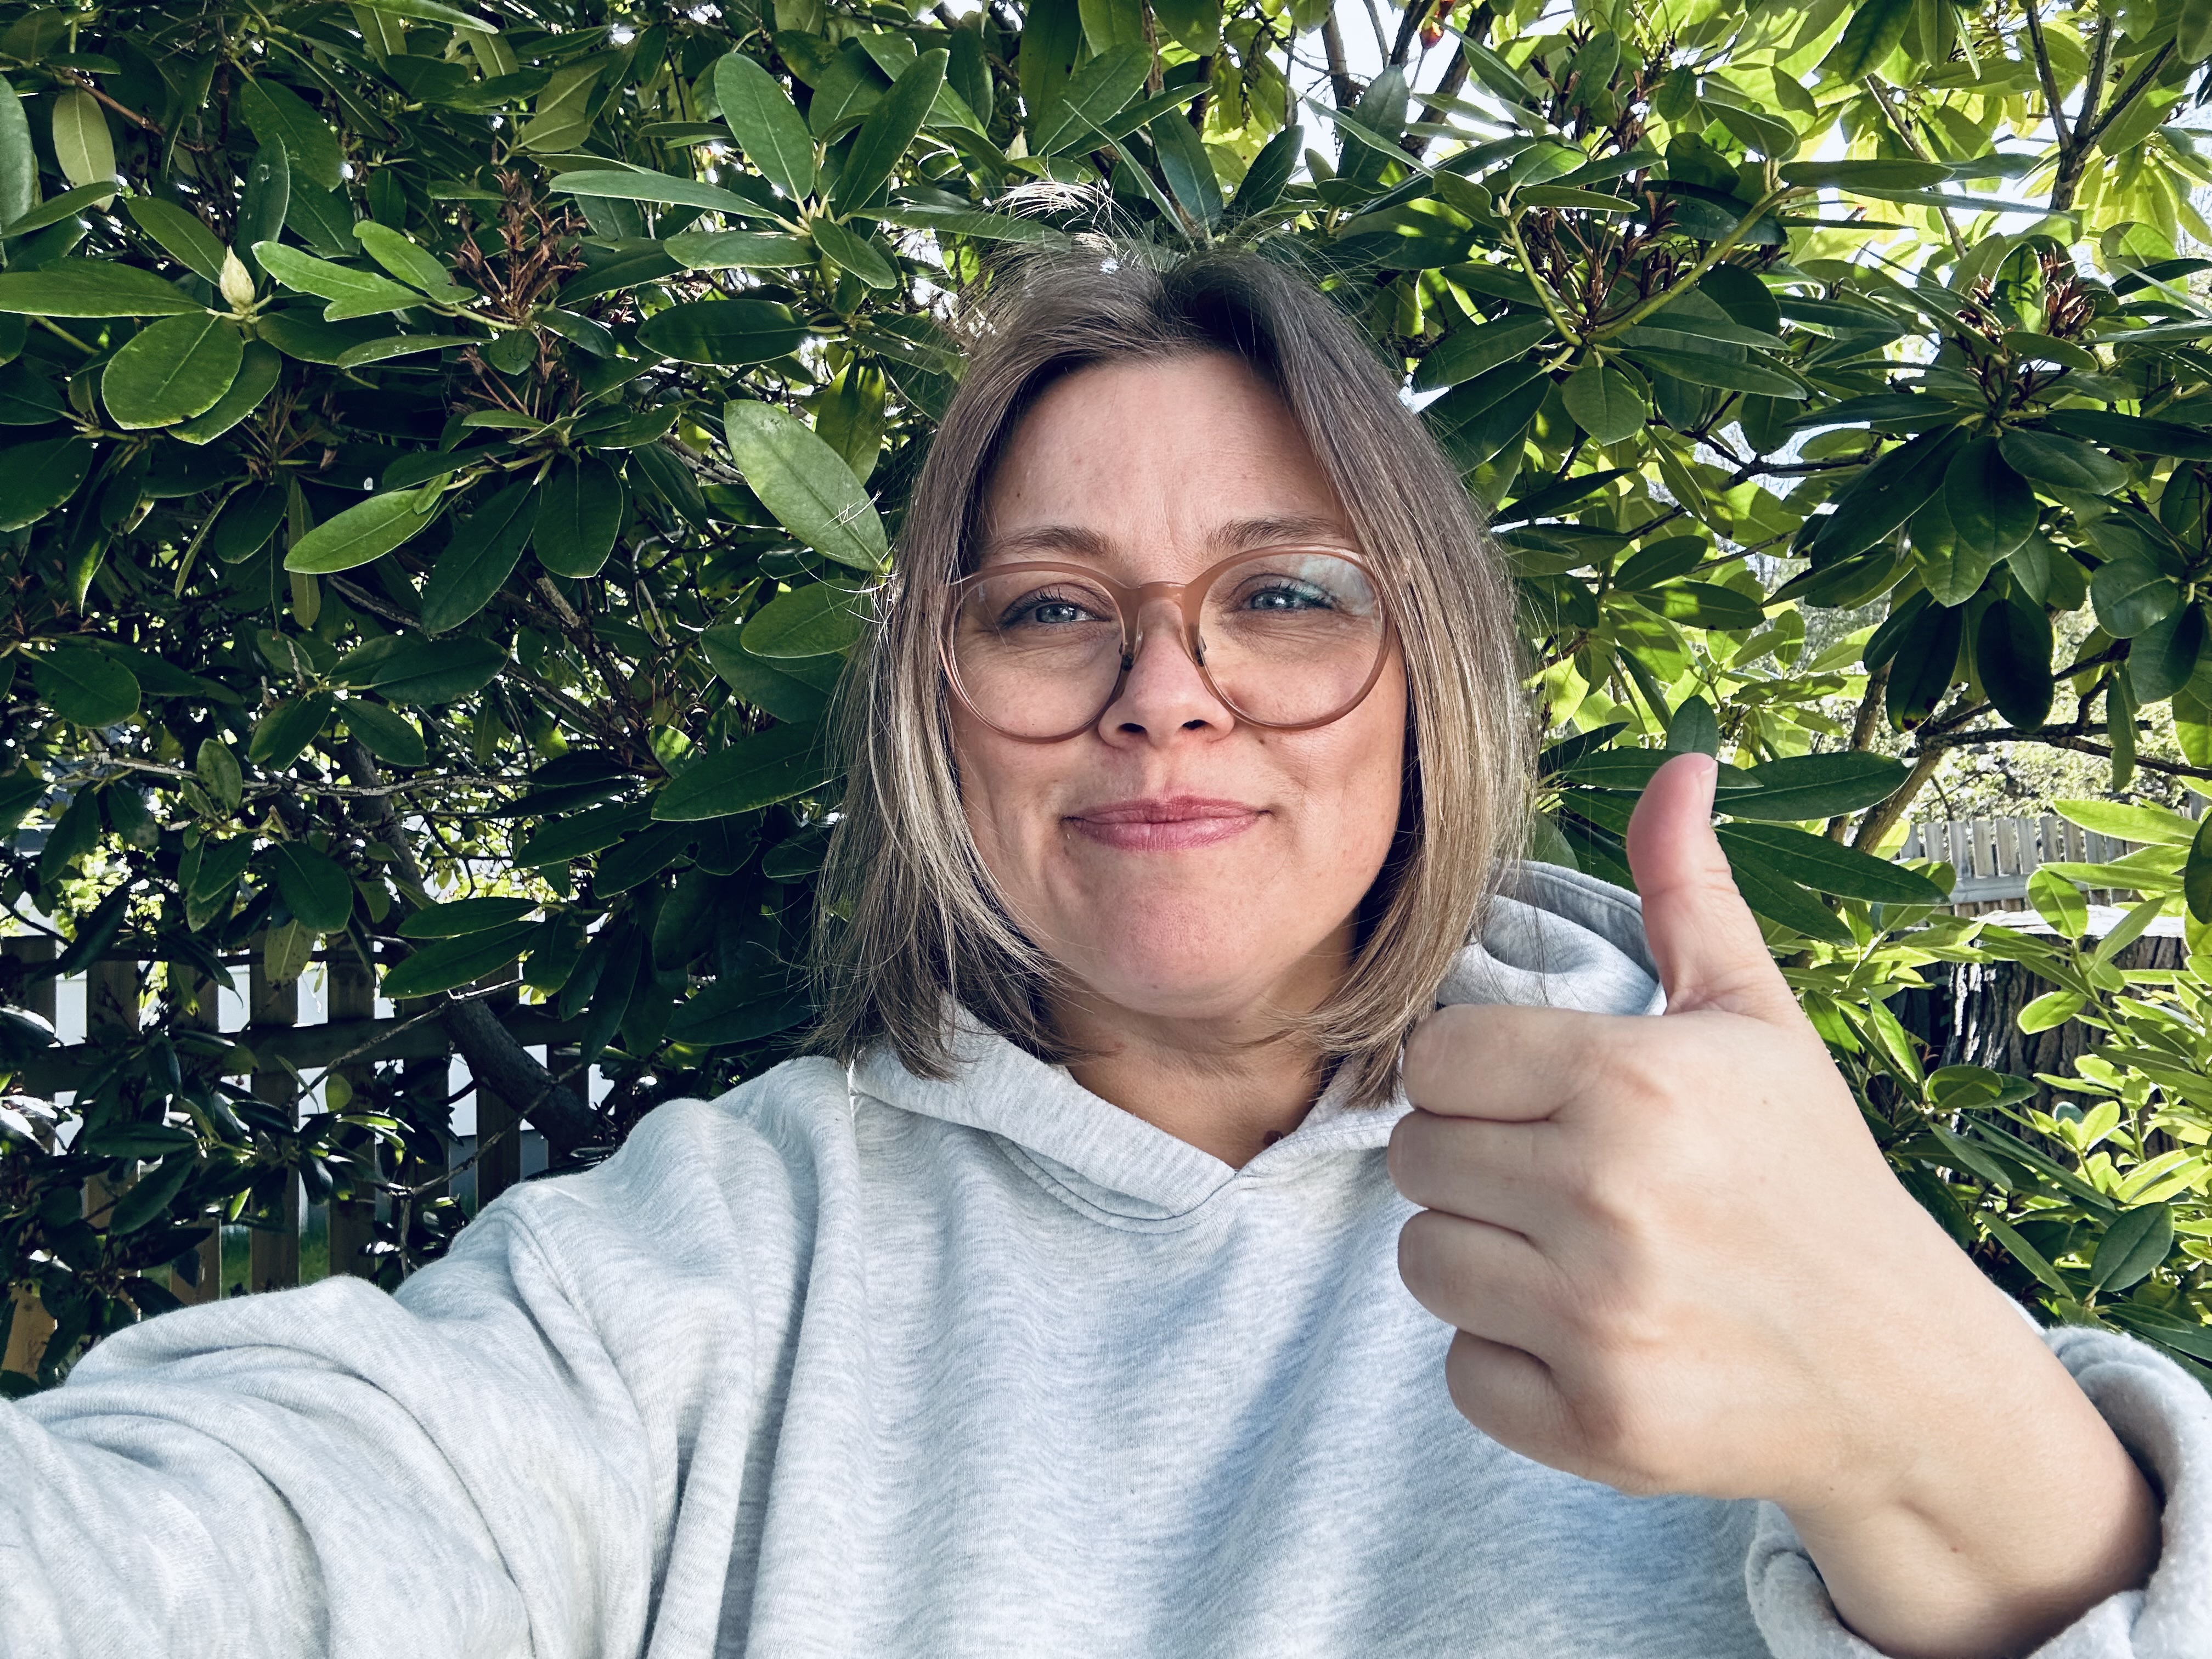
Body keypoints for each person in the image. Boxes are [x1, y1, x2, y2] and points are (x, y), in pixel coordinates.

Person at [2, 247, 2204, 1659]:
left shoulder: (1699, 1179)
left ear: (1435, 675)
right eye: (1052, 608)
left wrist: (1932, 1405)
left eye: (1285, 596)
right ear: (935, 701)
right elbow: (260, 1519)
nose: (1166, 696)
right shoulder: (712, 1259)